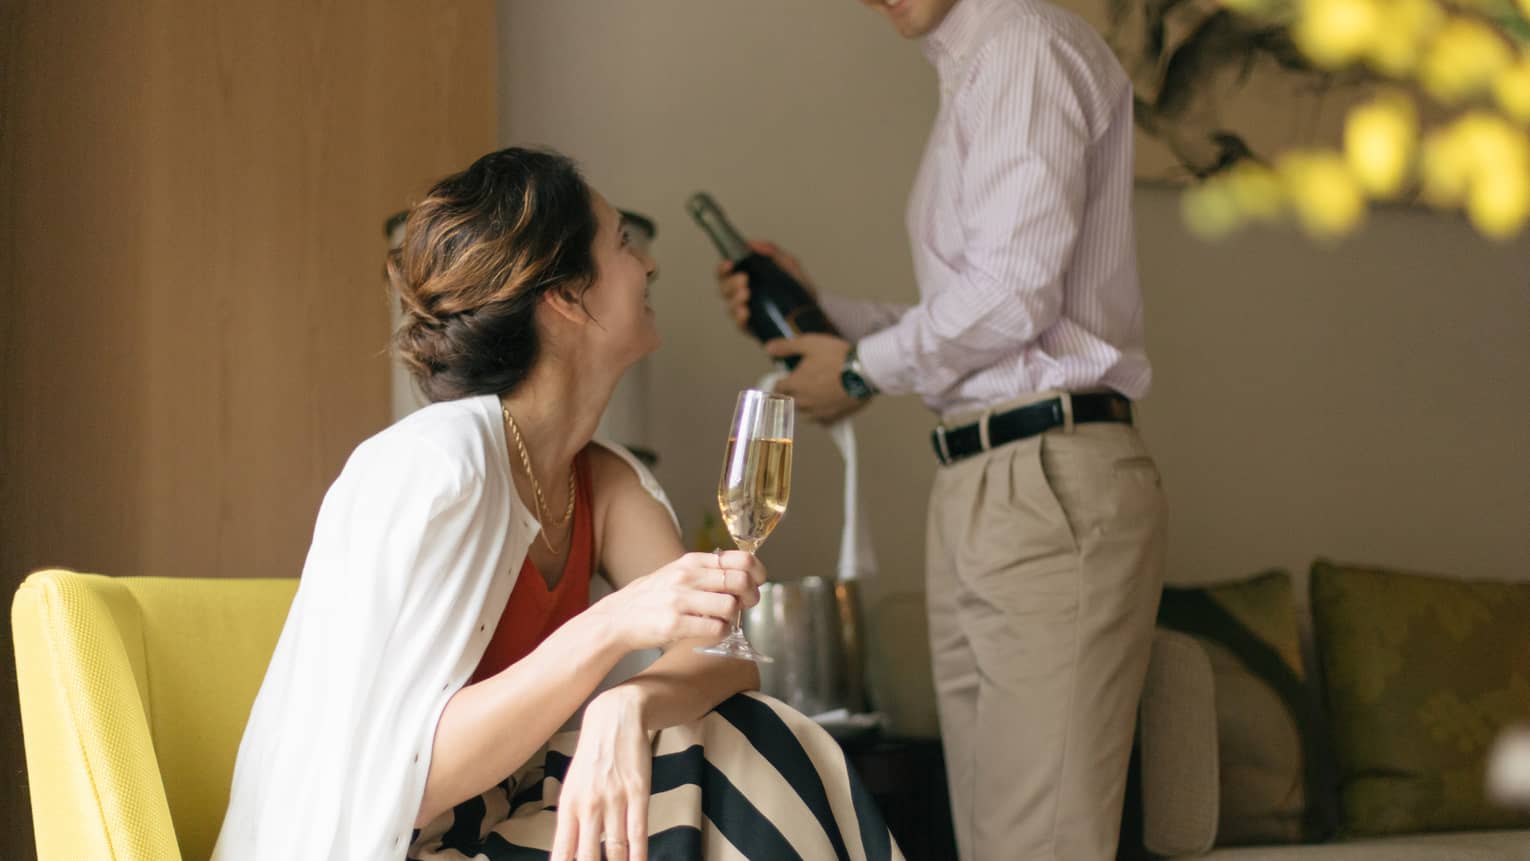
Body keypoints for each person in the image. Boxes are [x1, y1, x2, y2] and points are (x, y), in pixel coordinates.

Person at [214, 147, 900, 861]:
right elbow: (398, 782)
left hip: (509, 819)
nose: (650, 267)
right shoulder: (433, 467)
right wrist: (608, 626)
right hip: (393, 842)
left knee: (740, 733)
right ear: (568, 296)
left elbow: (725, 654)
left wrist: (626, 705)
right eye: (625, 246)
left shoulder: (598, 479)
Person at [716, 1, 1168, 858]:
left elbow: (1011, 296)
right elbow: (981, 313)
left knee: (1042, 840)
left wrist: (857, 368)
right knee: (998, 837)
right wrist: (823, 322)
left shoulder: (1025, 47)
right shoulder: (975, 65)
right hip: (985, 475)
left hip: (1046, 475)